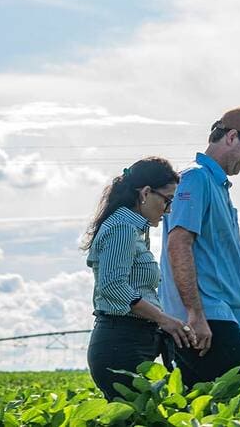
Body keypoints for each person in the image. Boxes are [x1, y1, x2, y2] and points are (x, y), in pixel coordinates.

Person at [159, 108, 240, 387]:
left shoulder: (218, 186)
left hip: (222, 317)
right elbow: (179, 244)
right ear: (232, 137)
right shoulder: (195, 178)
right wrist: (196, 315)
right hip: (207, 318)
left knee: (203, 407)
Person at [82, 156, 197, 400]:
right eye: (167, 200)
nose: (169, 210)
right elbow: (113, 286)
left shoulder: (134, 228)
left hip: (134, 340)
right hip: (121, 344)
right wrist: (163, 318)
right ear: (145, 193)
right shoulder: (122, 227)